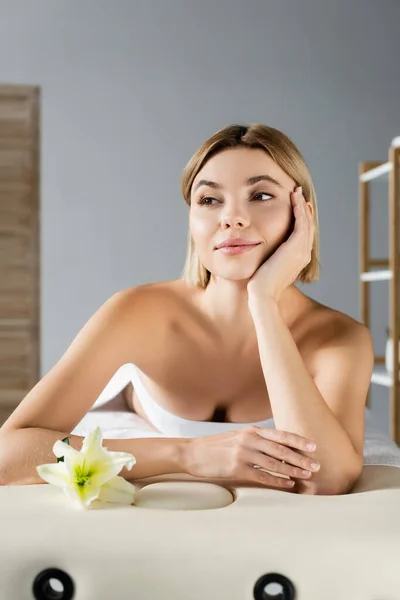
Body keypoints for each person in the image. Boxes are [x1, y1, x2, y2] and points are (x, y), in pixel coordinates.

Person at [0, 124, 374, 495]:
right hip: (133, 395)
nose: (232, 218)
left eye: (260, 195)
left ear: (302, 215)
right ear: (192, 219)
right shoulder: (137, 312)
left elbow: (327, 479)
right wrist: (186, 453)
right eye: (209, 200)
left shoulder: (341, 339)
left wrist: (263, 302)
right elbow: (8, 454)